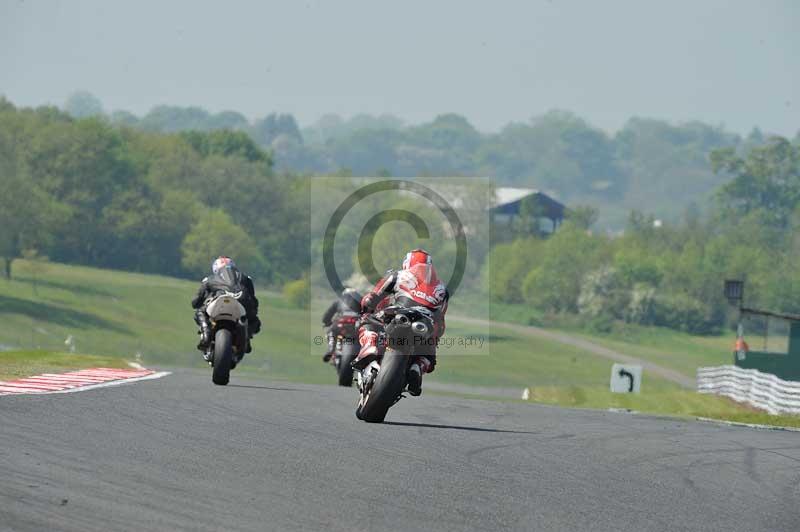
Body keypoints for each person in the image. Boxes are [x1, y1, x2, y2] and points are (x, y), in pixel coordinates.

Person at [353, 249, 449, 396]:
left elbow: (371, 298)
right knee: (429, 353)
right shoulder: (442, 289)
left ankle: (370, 346)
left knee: (368, 322)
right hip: (424, 323)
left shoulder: (398, 275)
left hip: (398, 312)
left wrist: (365, 312)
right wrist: (433, 339)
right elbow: (440, 324)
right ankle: (418, 366)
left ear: (407, 263)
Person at [191, 256, 261, 360]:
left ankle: (206, 332)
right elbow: (254, 300)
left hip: (220, 302)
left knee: (200, 312)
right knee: (255, 321)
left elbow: (196, 301)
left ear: (215, 268)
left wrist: (199, 303)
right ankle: (246, 339)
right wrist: (252, 311)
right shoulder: (246, 278)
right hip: (241, 301)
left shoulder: (209, 279)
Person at [321, 288, 362, 362]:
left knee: (331, 331)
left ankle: (330, 349)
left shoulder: (339, 300)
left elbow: (327, 315)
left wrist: (326, 322)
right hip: (356, 323)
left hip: (341, 322)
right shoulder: (361, 300)